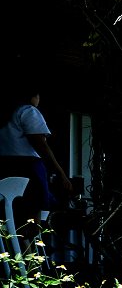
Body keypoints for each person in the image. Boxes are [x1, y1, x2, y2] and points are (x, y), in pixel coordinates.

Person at [0, 85, 73, 244]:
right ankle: (31, 247)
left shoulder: (6, 113)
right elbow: (41, 145)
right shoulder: (28, 111)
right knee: (35, 210)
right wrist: (61, 173)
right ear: (33, 97)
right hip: (27, 167)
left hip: (4, 167)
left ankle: (16, 248)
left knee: (11, 214)